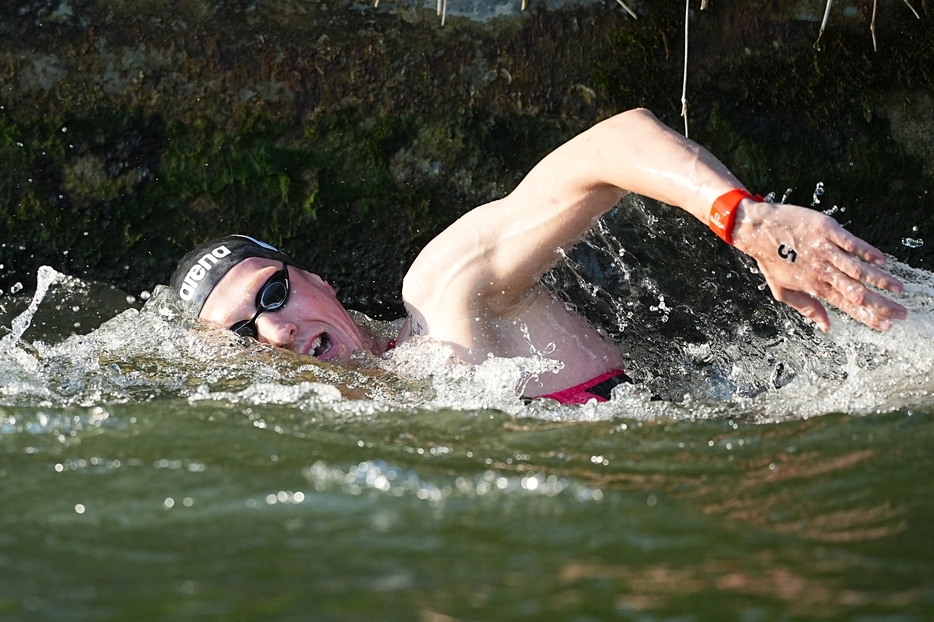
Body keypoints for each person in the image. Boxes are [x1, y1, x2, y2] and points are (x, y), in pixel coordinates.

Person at [169, 108, 908, 403]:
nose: (275, 332)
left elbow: (612, 144)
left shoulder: (443, 303)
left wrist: (746, 223)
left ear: (316, 281)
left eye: (271, 295)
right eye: (241, 334)